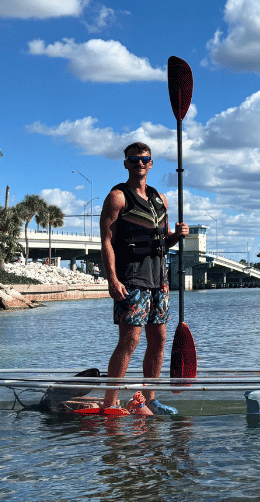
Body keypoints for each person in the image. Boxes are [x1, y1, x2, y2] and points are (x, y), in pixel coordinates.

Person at [98, 142, 189, 415]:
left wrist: (177, 236)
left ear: (151, 163)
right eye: (134, 159)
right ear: (126, 163)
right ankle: (110, 402)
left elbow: (164, 242)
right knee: (130, 340)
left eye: (144, 159)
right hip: (131, 278)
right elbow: (106, 241)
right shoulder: (118, 197)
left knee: (159, 339)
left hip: (159, 280)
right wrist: (112, 280)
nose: (139, 163)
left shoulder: (160, 199)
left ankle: (149, 399)